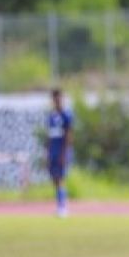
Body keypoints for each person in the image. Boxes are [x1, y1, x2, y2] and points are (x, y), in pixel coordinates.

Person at [46, 88, 73, 217]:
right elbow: (49, 136)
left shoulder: (66, 115)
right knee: (55, 179)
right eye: (54, 98)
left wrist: (65, 153)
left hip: (61, 151)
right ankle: (59, 204)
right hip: (53, 151)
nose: (56, 100)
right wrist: (47, 153)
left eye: (58, 98)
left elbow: (68, 134)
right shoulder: (51, 116)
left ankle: (63, 207)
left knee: (61, 178)